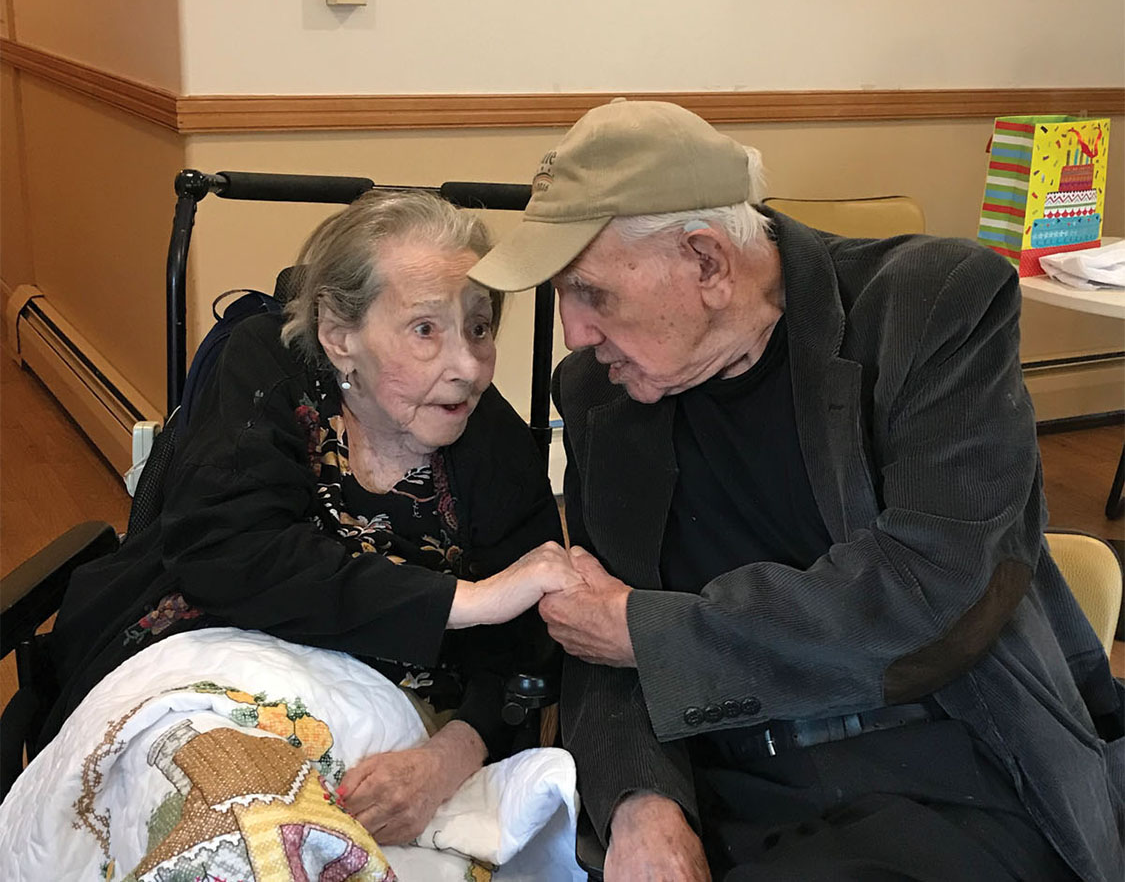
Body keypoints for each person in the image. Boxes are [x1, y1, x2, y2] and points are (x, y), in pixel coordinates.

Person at [468, 99, 1124, 882]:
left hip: (948, 769)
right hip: (732, 786)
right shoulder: (600, 394)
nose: (573, 331)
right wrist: (643, 803)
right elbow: (596, 641)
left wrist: (652, 631)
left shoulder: (928, 306)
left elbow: (936, 591)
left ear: (707, 261)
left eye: (591, 292)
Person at [44, 189, 580, 846]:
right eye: (424, 329)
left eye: (478, 327)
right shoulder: (267, 366)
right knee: (207, 814)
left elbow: (522, 656)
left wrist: (445, 761)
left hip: (382, 730)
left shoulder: (490, 442)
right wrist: (464, 599)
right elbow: (230, 554)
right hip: (200, 664)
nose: (468, 366)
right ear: (338, 333)